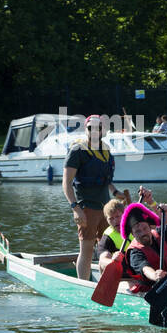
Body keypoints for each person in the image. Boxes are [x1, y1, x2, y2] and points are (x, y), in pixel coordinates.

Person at [63, 115, 122, 282]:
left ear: (103, 130)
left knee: (106, 250)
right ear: (86, 129)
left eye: (98, 128)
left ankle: (106, 284)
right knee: (87, 249)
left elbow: (106, 179)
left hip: (107, 209)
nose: (95, 131)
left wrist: (115, 191)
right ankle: (83, 284)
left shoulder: (106, 149)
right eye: (91, 127)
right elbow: (66, 183)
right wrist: (76, 209)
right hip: (86, 207)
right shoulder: (77, 151)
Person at [120, 201, 167, 294]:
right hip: (152, 289)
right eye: (137, 231)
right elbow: (145, 269)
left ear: (150, 227)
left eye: (145, 228)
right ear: (133, 234)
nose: (143, 233)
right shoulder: (134, 252)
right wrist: (155, 275)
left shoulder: (160, 233)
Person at [98, 197, 127, 273]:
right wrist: (112, 261)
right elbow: (102, 260)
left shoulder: (135, 226)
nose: (115, 221)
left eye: (117, 216)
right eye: (111, 218)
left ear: (124, 214)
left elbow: (157, 222)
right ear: (107, 220)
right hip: (122, 273)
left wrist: (151, 202)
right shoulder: (107, 237)